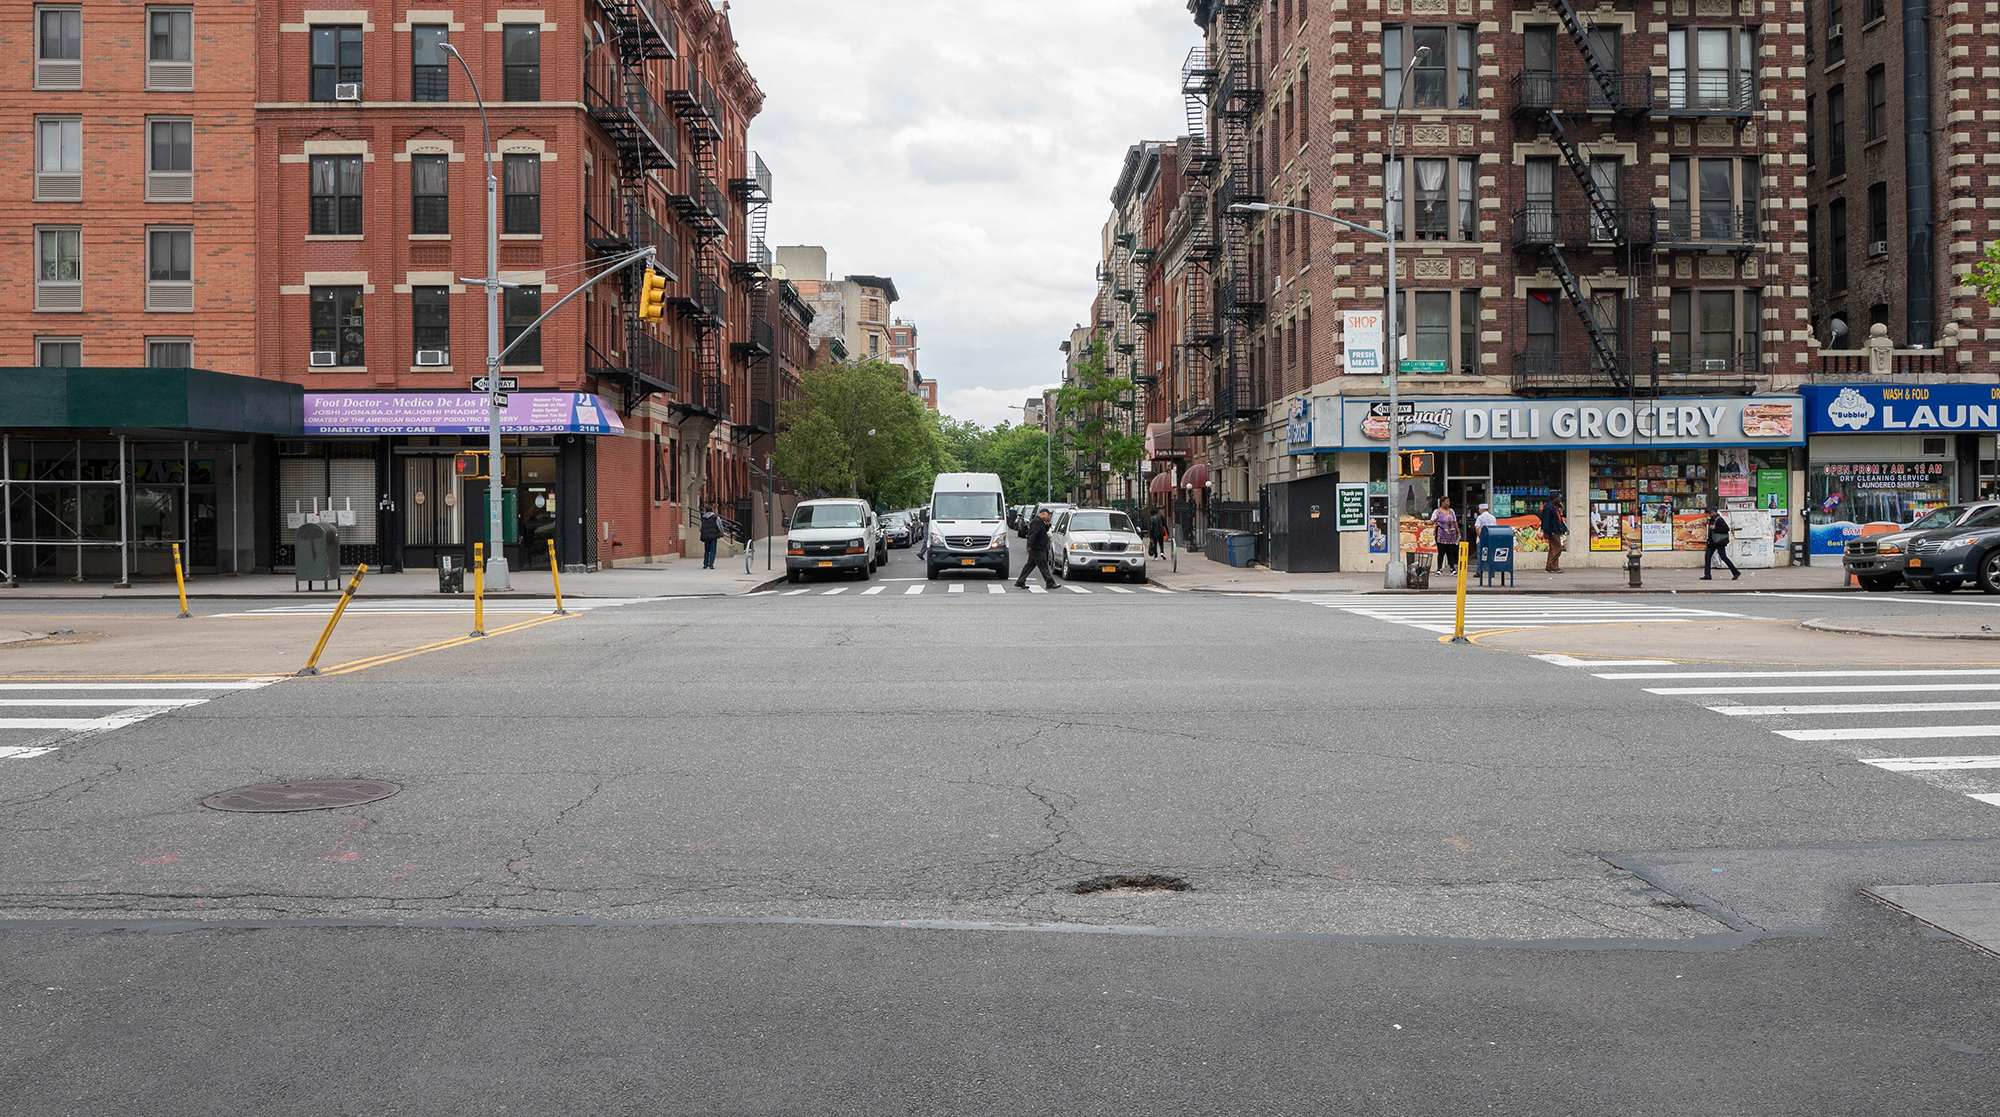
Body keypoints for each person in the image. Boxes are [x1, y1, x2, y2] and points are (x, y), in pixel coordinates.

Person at [1016, 507, 1059, 589]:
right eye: (1048, 515)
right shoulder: (1036, 522)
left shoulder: (1040, 522)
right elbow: (1033, 534)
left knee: (1029, 566)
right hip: (1037, 548)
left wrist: (1048, 524)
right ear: (1043, 514)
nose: (1049, 516)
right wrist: (1029, 545)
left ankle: (1020, 581)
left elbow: (1043, 531)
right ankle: (1050, 582)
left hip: (1038, 547)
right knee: (1043, 566)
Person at [1703, 507, 1741, 580]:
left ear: (1714, 512)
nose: (1709, 514)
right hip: (1712, 542)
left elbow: (1726, 529)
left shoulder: (1719, 519)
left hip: (1719, 542)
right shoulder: (1712, 519)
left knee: (1723, 557)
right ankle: (1707, 575)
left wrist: (1715, 528)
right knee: (1707, 556)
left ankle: (1735, 572)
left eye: (1710, 512)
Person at [1431, 497, 1460, 573]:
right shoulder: (1437, 512)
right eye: (1446, 501)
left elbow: (1455, 521)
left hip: (1451, 534)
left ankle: (1452, 568)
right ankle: (1439, 569)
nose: (1448, 503)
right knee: (1441, 551)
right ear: (1442, 502)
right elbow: (1432, 521)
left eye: (1449, 501)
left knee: (1450, 551)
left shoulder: (1451, 511)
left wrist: (1458, 532)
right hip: (1441, 534)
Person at [1540, 496, 1567, 573]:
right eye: (1558, 498)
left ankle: (1554, 566)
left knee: (1553, 549)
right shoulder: (1549, 507)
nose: (1559, 500)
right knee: (1557, 548)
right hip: (1552, 531)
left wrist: (1564, 528)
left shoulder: (1555, 507)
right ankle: (1550, 566)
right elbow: (1546, 520)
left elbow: (1559, 519)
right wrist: (1546, 532)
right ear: (1554, 499)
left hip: (1556, 530)